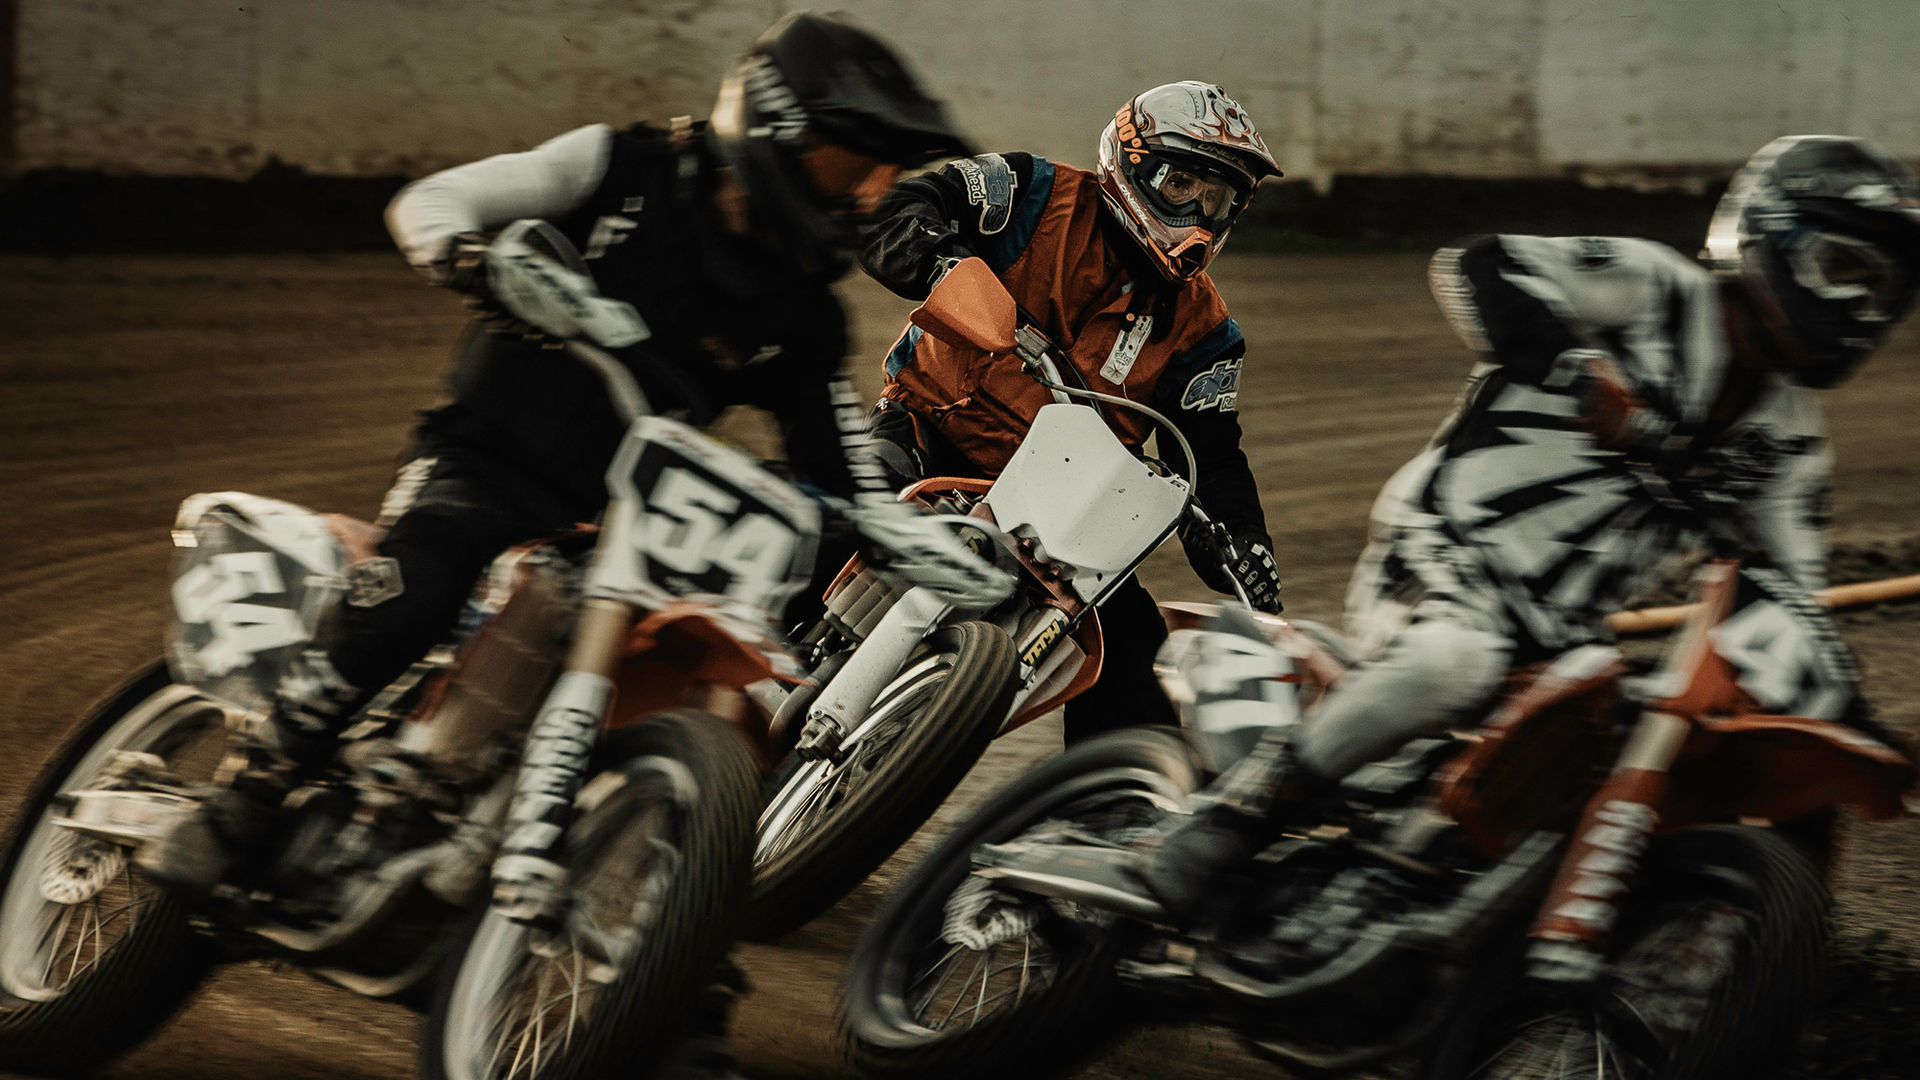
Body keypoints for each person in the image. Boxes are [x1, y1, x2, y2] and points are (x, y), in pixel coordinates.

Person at [140, 13, 1003, 896]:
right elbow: (429, 204)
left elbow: (839, 464)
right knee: (417, 590)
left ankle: (663, 928)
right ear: (778, 130)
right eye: (853, 165)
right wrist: (477, 260)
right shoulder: (623, 169)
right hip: (484, 463)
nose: (871, 194)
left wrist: (908, 536)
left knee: (689, 686)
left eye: (886, 174)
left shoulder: (801, 310)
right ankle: (246, 796)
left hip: (617, 519)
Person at [1138, 134, 1920, 921]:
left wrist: (1867, 733)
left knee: (1629, 744)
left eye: (1882, 288)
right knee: (1456, 659)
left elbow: (1789, 601)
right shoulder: (1657, 289)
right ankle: (1229, 823)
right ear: (1767, 235)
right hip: (1446, 556)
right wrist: (1583, 374)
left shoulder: (1791, 440)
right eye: (1842, 268)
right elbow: (1481, 265)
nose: (1860, 307)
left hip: (1565, 638)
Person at [857, 80, 1287, 743]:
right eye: (1182, 186)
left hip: (1060, 505)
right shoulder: (1028, 192)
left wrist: (1243, 541)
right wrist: (943, 263)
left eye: (1218, 200)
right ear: (1131, 162)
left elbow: (1209, 452)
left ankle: (1106, 810)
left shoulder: (1208, 331)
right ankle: (752, 661)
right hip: (928, 429)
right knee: (847, 498)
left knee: (1132, 640)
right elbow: (898, 209)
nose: (1198, 216)